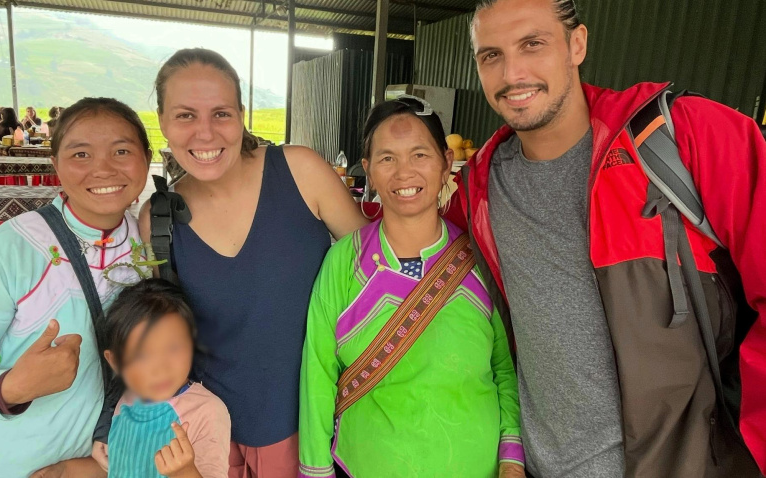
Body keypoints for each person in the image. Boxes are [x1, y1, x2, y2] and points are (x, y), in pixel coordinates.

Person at [454, 0, 766, 476]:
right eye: (490, 55)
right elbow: (405, 239)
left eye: (532, 44)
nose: (512, 73)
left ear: (577, 44)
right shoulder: (479, 187)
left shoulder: (685, 137)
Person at [90, 48, 366, 478]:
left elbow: (375, 272)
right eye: (185, 116)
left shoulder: (300, 172)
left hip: (313, 426)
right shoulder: (158, 219)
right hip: (200, 436)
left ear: (241, 115)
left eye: (221, 113)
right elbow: (148, 329)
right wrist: (113, 426)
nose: (205, 133)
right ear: (162, 122)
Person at [0, 97, 153, 478]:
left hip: (91, 466)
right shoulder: (11, 250)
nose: (103, 169)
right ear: (55, 165)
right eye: (80, 154)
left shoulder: (152, 246)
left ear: (147, 157)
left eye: (122, 150)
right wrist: (11, 387)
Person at [298, 97, 524, 478]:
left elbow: (504, 369)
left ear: (445, 165)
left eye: (420, 155)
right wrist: (316, 472)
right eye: (387, 158)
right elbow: (317, 376)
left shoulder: (478, 258)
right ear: (368, 171)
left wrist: (512, 460)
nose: (404, 173)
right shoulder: (342, 264)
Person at [35, 279, 231, 478]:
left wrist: (184, 472)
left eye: (173, 347)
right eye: (141, 355)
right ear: (115, 362)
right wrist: (63, 471)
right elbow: (117, 468)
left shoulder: (207, 411)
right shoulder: (125, 404)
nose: (160, 368)